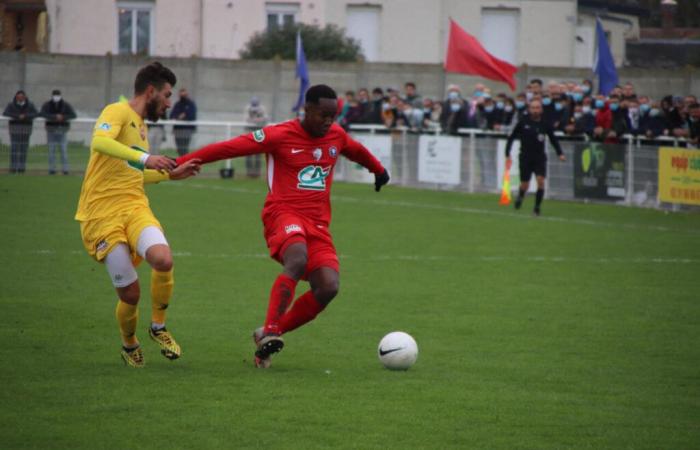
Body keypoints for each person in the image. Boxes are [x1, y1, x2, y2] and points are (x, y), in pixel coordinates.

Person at [176, 84, 390, 369]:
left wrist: (379, 170)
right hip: (282, 214)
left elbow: (357, 150)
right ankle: (271, 328)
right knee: (297, 259)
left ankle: (267, 335)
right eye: (323, 115)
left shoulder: (335, 136)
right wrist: (178, 162)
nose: (328, 122)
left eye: (333, 116)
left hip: (318, 225)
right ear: (307, 109)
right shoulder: (279, 134)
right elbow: (230, 147)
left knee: (328, 287)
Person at [75, 62, 201, 368]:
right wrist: (146, 158)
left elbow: (133, 174)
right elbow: (100, 143)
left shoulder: (141, 127)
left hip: (134, 207)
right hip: (100, 214)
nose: (170, 102)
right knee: (130, 295)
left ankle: (158, 326)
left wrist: (172, 174)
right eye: (167, 94)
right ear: (151, 91)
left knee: (163, 258)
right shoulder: (116, 111)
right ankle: (129, 344)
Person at [505, 99, 566, 216]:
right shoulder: (523, 122)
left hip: (539, 157)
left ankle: (537, 208)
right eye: (533, 108)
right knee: (525, 184)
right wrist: (507, 153)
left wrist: (560, 153)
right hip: (525, 157)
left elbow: (553, 139)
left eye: (537, 108)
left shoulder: (545, 123)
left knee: (540, 181)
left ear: (541, 109)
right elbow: (511, 137)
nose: (535, 110)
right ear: (529, 109)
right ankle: (520, 197)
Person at [40, 89, 77, 174]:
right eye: (55, 95)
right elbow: (42, 113)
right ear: (52, 95)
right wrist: (54, 117)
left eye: (57, 95)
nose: (56, 97)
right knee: (51, 150)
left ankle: (65, 169)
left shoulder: (65, 105)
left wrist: (63, 117)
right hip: (50, 130)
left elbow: (73, 115)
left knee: (63, 151)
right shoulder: (47, 105)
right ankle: (52, 169)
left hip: (62, 130)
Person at [3, 90, 38, 174]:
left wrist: (25, 116)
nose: (20, 98)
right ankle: (13, 168)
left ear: (25, 97)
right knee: (14, 149)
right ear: (16, 97)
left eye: (21, 97)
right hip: (14, 129)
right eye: (18, 97)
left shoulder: (30, 105)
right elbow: (5, 113)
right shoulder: (11, 105)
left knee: (23, 149)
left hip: (26, 130)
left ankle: (22, 168)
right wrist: (17, 116)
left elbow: (36, 114)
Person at [245, 96, 268, 177]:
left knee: (258, 153)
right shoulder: (248, 108)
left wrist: (258, 119)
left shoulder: (262, 109)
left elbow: (265, 118)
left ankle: (257, 172)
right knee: (248, 153)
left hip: (259, 134)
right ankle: (249, 172)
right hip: (249, 133)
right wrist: (254, 119)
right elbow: (246, 119)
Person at [170, 88, 197, 156]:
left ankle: (185, 161)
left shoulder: (191, 104)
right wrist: (179, 116)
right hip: (177, 130)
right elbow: (172, 115)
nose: (182, 96)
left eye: (184, 94)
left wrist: (184, 116)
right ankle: (182, 161)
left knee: (184, 148)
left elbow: (192, 116)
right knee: (179, 148)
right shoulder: (177, 104)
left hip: (187, 130)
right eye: (181, 95)